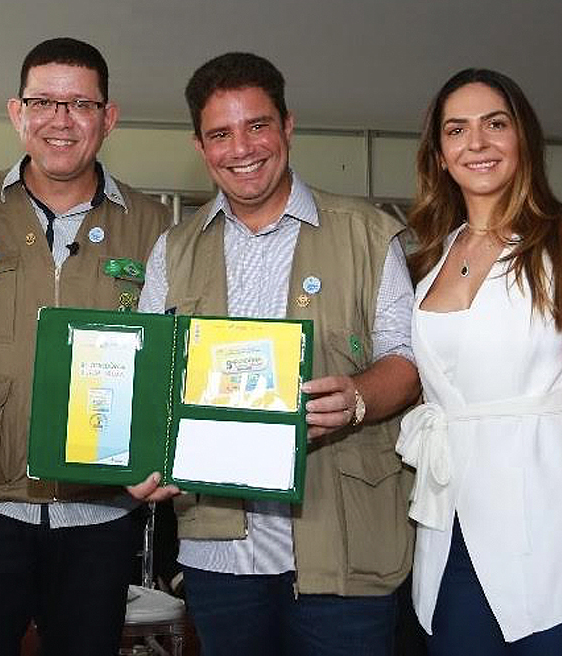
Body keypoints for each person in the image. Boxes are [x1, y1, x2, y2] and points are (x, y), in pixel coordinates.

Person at [130, 52, 421, 655]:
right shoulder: (174, 250)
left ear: (287, 125)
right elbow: (149, 374)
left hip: (344, 547)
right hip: (219, 551)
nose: (242, 148)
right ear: (200, 146)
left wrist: (361, 396)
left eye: (257, 125)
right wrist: (138, 457)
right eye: (220, 134)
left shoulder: (367, 233)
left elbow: (409, 361)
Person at [0, 37, 170, 656]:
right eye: (44, 102)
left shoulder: (155, 226)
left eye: (80, 104)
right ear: (17, 112)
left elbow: (177, 360)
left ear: (108, 118)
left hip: (101, 509)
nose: (60, 120)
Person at [396, 68, 562, 654]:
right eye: (456, 129)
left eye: (496, 123)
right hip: (450, 523)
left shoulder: (556, 246)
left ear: (524, 138)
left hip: (546, 517)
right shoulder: (424, 261)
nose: (477, 142)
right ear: (440, 155)